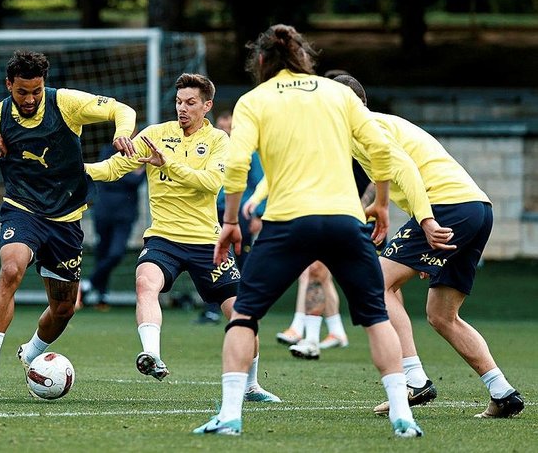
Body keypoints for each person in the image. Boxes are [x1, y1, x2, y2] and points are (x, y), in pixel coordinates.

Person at [193, 24, 450, 438]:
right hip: (345, 220)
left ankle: (229, 416)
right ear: (304, 56)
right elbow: (381, 150)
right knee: (376, 317)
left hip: (288, 221)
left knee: (244, 315)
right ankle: (403, 416)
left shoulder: (254, 100)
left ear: (262, 60)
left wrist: (231, 222)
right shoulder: (338, 94)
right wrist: (382, 204)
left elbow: (237, 165)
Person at [0, 50, 137, 396]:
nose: (31, 99)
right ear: (9, 85)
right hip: (23, 209)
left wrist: (122, 133)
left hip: (66, 219)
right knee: (11, 270)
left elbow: (121, 109)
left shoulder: (66, 103)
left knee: (63, 309)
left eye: (36, 91)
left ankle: (30, 352)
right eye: (22, 92)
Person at [334, 75, 525, 419]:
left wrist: (426, 222)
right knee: (442, 315)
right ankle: (503, 392)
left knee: (376, 282)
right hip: (476, 208)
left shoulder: (366, 128)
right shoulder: (371, 128)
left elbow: (406, 169)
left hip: (446, 208)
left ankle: (414, 380)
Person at [85, 73, 280, 403]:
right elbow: (113, 168)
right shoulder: (155, 135)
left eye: (190, 103)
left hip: (207, 242)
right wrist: (79, 169)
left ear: (207, 106)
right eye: (178, 102)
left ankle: (251, 384)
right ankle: (152, 355)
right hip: (163, 238)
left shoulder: (219, 140)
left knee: (241, 311)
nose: (182, 108)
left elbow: (210, 182)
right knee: (145, 282)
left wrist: (168, 164)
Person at [247, 162, 374, 357]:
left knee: (383, 287)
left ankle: (311, 330)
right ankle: (319, 334)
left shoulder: (359, 146)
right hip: (330, 213)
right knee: (315, 270)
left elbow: (378, 175)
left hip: (355, 217)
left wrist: (360, 209)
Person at [195, 110, 264, 325]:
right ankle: (212, 309)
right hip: (213, 211)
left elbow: (260, 181)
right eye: (222, 125)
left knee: (240, 260)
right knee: (212, 258)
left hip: (240, 213)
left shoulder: (246, 150)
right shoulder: (209, 148)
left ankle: (244, 307)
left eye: (230, 126)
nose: (226, 129)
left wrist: (258, 214)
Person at [80, 142, 146, 311]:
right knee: (102, 252)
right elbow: (109, 176)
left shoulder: (138, 151)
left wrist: (128, 175)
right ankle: (102, 295)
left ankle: (87, 285)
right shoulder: (107, 151)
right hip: (103, 212)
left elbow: (136, 180)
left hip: (125, 215)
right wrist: (130, 174)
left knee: (116, 253)